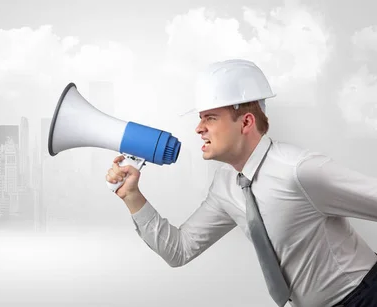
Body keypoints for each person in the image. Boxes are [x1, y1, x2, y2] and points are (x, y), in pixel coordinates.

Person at [106, 59, 377, 307]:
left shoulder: (300, 170)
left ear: (246, 122)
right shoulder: (226, 185)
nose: (198, 128)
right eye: (200, 118)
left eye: (210, 118)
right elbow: (179, 250)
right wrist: (132, 196)